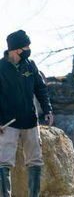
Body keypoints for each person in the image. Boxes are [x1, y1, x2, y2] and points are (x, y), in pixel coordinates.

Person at [0, 30, 53, 197]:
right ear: (15, 49)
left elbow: (41, 88)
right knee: (4, 161)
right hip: (7, 123)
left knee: (35, 160)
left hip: (30, 120)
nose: (29, 49)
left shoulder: (30, 65)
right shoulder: (1, 68)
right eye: (26, 46)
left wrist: (48, 109)